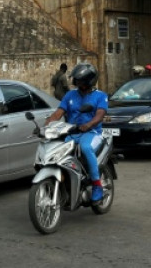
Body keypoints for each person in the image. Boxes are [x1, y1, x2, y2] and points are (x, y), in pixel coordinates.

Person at [43, 63, 109, 201]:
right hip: (72, 133)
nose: (77, 82)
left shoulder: (100, 96)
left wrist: (88, 124)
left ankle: (96, 185)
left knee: (85, 147)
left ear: (89, 80)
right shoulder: (70, 95)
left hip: (92, 133)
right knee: (56, 149)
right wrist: (47, 125)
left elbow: (100, 115)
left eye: (80, 80)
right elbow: (58, 113)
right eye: (76, 79)